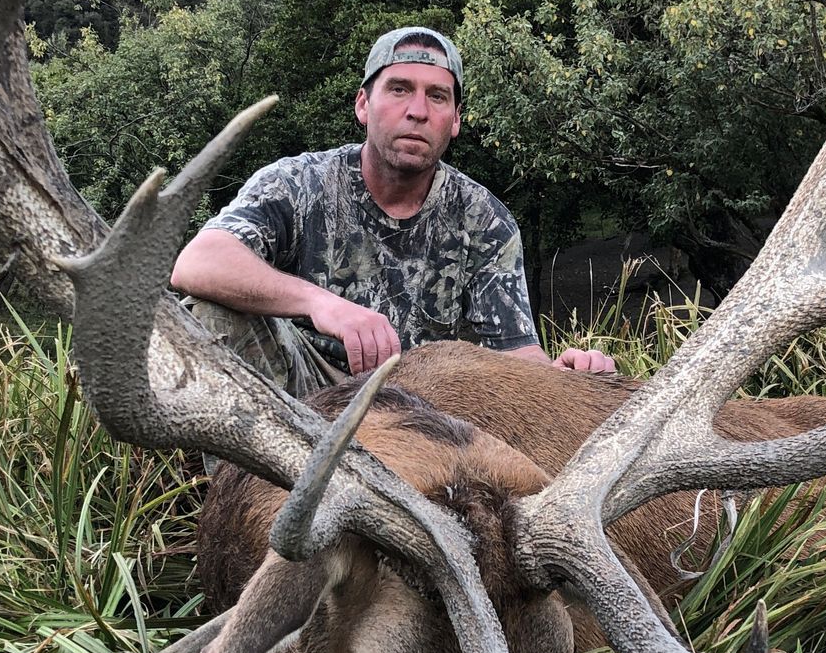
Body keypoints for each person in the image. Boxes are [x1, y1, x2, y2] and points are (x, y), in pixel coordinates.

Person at [170, 26, 616, 397]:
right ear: (364, 105)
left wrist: (565, 380)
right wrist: (323, 304)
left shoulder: (485, 220)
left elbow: (515, 357)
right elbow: (198, 261)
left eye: (437, 97)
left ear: (456, 120)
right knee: (214, 315)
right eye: (399, 89)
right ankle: (252, 499)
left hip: (425, 413)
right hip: (306, 393)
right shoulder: (299, 182)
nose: (417, 112)